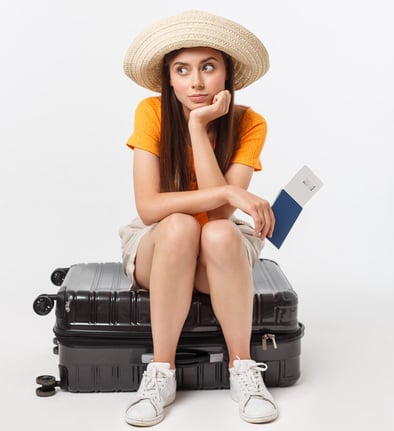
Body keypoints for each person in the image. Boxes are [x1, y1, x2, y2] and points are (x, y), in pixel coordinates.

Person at [119, 9, 277, 427]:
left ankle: (242, 367)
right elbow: (149, 207)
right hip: (163, 245)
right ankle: (161, 371)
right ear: (168, 78)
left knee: (221, 233)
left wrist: (197, 129)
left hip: (217, 250)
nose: (196, 82)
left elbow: (221, 215)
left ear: (227, 74)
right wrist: (227, 188)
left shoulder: (249, 123)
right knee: (179, 224)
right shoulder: (151, 112)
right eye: (182, 69)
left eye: (208, 67)